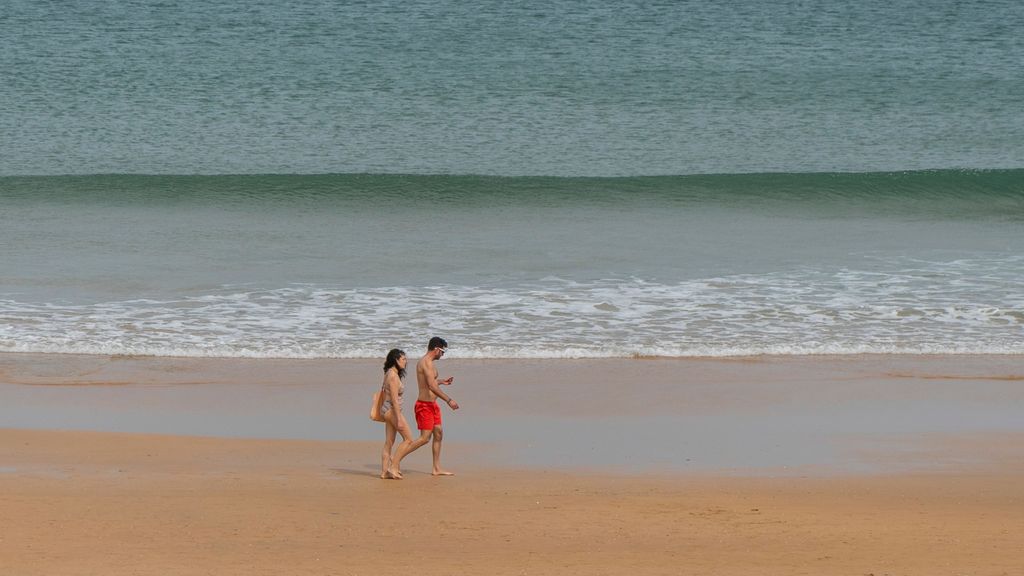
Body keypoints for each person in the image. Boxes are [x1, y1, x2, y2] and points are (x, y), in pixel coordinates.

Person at [389, 337, 459, 477]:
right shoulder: (425, 363)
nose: (443, 355)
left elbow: (431, 382)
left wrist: (441, 381)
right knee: (424, 438)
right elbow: (431, 386)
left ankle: (436, 468)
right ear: (436, 349)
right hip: (424, 406)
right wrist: (448, 400)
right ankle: (395, 462)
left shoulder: (430, 363)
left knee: (438, 433)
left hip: (433, 405)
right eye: (442, 352)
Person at [379, 348, 413, 479]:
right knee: (409, 439)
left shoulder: (389, 373)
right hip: (392, 410)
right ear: (396, 360)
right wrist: (398, 418)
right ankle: (393, 467)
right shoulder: (393, 376)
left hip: (386, 410)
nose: (406, 361)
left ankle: (384, 472)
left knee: (389, 441)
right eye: (403, 359)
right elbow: (394, 399)